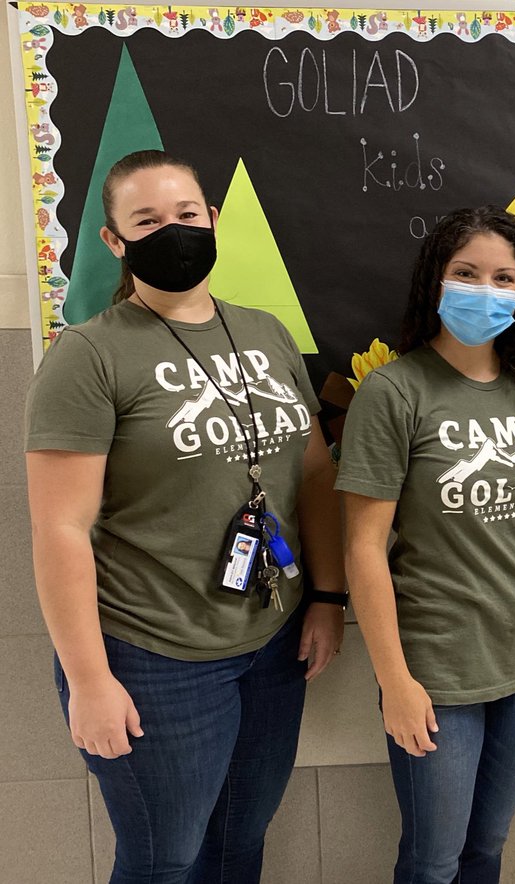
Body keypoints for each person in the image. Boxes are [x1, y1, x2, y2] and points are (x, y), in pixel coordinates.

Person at [24, 150, 346, 883]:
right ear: (114, 240)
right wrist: (89, 680)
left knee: (240, 842)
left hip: (271, 643)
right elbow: (60, 528)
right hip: (152, 657)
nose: (172, 231)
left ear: (213, 220)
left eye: (186, 214)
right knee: (164, 860)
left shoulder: (265, 333)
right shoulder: (88, 355)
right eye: (146, 220)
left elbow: (316, 475)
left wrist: (327, 598)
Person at [337, 206, 515, 884]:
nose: (485, 289)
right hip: (436, 673)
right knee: (432, 861)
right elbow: (364, 548)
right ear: (437, 282)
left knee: (487, 847)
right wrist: (394, 680)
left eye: (503, 277)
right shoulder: (395, 392)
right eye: (467, 273)